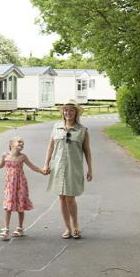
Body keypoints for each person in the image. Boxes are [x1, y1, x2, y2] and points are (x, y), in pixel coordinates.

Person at [43, 100, 94, 239]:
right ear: (62, 112)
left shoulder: (82, 130)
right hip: (58, 167)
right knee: (61, 198)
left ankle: (76, 225)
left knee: (70, 198)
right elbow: (50, 147)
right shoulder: (56, 127)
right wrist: (46, 164)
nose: (68, 113)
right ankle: (67, 228)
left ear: (76, 112)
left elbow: (87, 151)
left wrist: (90, 169)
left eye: (71, 110)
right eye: (66, 110)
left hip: (73, 167)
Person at [0, 136, 45, 240]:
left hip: (20, 184)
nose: (22, 144)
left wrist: (42, 171)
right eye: (19, 142)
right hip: (10, 185)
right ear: (11, 144)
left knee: (20, 205)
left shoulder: (22, 157)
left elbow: (32, 166)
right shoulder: (5, 155)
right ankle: (6, 228)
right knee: (8, 205)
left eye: (23, 143)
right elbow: (1, 165)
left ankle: (20, 228)